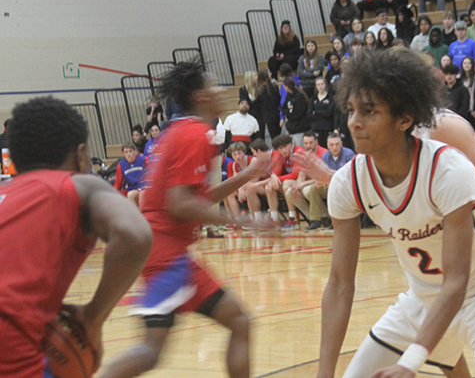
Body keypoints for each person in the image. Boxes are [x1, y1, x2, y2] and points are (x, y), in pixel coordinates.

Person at [318, 48, 475, 378]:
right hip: (422, 299)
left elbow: (457, 281)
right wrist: (324, 374)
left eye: (369, 111)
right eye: (352, 110)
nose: (354, 122)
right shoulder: (347, 183)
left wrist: (409, 364)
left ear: (405, 119)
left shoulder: (447, 170)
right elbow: (339, 283)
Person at [98, 60, 273, 378]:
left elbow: (193, 198)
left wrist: (245, 175)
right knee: (152, 350)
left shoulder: (181, 132)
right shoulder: (195, 134)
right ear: (200, 95)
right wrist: (244, 223)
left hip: (165, 250)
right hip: (166, 255)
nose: (219, 90)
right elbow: (179, 205)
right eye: (212, 85)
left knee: (239, 321)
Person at [0, 97, 152, 378]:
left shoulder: (6, 192)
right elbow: (135, 234)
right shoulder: (76, 184)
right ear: (81, 154)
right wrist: (93, 318)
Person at [244, 134, 304, 227]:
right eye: (280, 148)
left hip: (296, 183)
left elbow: (291, 175)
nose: (283, 150)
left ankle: (292, 218)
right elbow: (256, 179)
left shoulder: (282, 155)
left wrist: (260, 183)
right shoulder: (261, 160)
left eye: (285, 147)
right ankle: (262, 220)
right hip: (281, 184)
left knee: (277, 185)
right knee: (252, 189)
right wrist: (244, 187)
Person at [299, 132, 355, 231]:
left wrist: (333, 182)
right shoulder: (325, 156)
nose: (334, 147)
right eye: (332, 145)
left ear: (341, 144)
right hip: (330, 185)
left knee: (332, 188)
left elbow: (352, 176)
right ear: (327, 145)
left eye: (337, 144)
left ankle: (337, 220)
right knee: (314, 189)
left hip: (347, 187)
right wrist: (320, 182)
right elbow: (321, 175)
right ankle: (317, 220)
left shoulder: (349, 154)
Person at [253, 67, 282, 142]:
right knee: (277, 137)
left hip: (265, 116)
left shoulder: (258, 89)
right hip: (274, 114)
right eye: (269, 73)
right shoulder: (273, 87)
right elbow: (278, 100)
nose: (271, 74)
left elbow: (257, 104)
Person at [282, 77, 311, 146]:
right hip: (292, 128)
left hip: (300, 128)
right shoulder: (288, 95)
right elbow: (284, 108)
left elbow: (297, 113)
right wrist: (289, 112)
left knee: (300, 148)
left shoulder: (299, 96)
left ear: (287, 86)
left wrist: (289, 113)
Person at [309, 77, 335, 147]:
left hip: (327, 128)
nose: (320, 86)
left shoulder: (330, 98)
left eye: (322, 84)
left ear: (325, 85)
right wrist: (323, 113)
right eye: (318, 85)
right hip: (316, 128)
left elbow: (329, 112)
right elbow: (309, 114)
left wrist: (316, 112)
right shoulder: (313, 99)